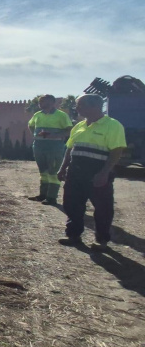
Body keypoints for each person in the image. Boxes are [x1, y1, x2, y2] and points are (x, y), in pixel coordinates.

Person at [57, 94, 126, 251]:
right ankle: (73, 235)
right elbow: (70, 149)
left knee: (103, 208)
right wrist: (63, 168)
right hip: (75, 172)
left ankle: (102, 240)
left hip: (97, 172)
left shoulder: (112, 125)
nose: (77, 108)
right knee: (72, 204)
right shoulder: (78, 126)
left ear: (94, 106)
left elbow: (116, 151)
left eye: (80, 105)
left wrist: (104, 173)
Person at [27, 94, 73, 205]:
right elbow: (31, 125)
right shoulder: (38, 114)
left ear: (52, 102)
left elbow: (69, 130)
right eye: (40, 102)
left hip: (55, 147)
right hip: (39, 146)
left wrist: (55, 135)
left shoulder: (61, 115)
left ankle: (51, 197)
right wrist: (35, 135)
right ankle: (43, 195)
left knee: (53, 172)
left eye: (44, 101)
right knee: (43, 172)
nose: (41, 104)